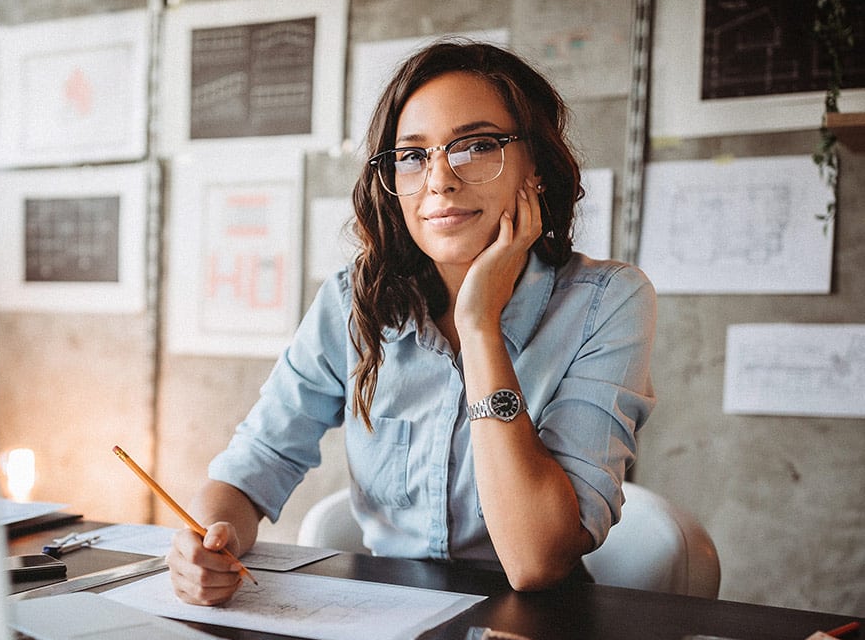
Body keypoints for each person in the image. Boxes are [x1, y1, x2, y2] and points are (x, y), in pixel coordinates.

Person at [168, 39, 656, 605]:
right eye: (412, 154)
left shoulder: (607, 302)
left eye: (476, 146)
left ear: (538, 167)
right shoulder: (353, 302)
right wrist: (205, 540)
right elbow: (259, 463)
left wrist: (478, 326)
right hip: (389, 618)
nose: (439, 179)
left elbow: (536, 561)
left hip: (539, 627)